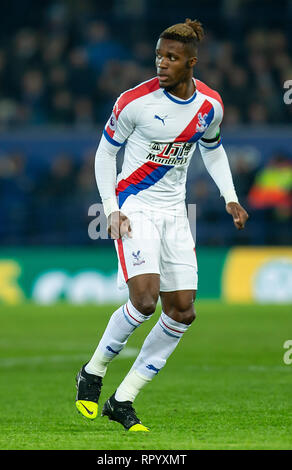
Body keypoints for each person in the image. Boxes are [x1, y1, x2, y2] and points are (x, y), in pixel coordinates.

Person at [75, 19, 249, 432]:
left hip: (175, 214)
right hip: (135, 207)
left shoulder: (210, 105)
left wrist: (231, 197)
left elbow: (214, 149)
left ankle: (124, 398)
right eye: (158, 55)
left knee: (183, 311)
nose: (161, 64)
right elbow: (104, 156)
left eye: (171, 58)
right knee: (145, 300)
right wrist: (110, 208)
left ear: (192, 62)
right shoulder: (133, 102)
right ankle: (94, 370)